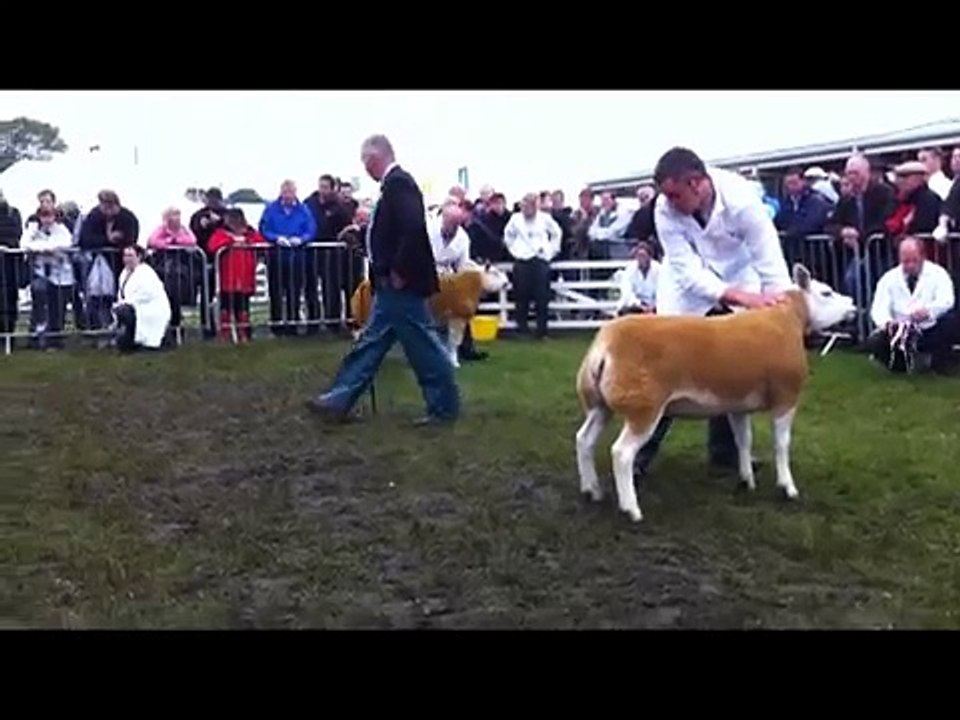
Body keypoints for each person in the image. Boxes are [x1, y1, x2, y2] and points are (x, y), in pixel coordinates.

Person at [635, 147, 792, 477]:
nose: (669, 202)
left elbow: (770, 260)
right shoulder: (664, 208)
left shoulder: (742, 199)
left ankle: (726, 454)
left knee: (730, 365)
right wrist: (736, 296)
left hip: (740, 275)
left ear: (696, 183)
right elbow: (686, 269)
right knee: (668, 365)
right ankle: (639, 452)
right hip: (685, 288)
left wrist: (782, 314)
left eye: (675, 194)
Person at [307, 134, 459, 425]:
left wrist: (399, 270)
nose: (365, 169)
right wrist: (363, 236)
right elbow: (395, 231)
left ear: (374, 159)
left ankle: (444, 406)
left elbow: (412, 228)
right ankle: (338, 400)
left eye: (365, 162)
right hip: (392, 284)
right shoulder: (394, 185)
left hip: (400, 284)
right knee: (373, 343)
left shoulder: (399, 184)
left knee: (422, 346)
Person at [867, 237, 956, 374]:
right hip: (900, 330)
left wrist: (929, 311)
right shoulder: (888, 278)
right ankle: (901, 366)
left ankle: (937, 363)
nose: (910, 266)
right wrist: (889, 324)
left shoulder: (938, 274)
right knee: (876, 340)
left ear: (923, 256)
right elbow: (878, 308)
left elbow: (947, 300)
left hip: (929, 326)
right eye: (905, 261)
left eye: (914, 261)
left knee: (950, 321)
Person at [827, 154, 896, 300]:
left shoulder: (884, 192)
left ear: (866, 172)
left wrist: (858, 236)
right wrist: (843, 231)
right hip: (855, 254)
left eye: (855, 173)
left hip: (880, 251)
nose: (851, 177)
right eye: (849, 173)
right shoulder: (846, 199)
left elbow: (885, 221)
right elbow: (830, 224)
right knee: (851, 281)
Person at [258, 180, 317, 337]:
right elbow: (263, 228)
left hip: (297, 257)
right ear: (281, 192)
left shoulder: (303, 210)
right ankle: (276, 325)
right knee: (275, 291)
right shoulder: (271, 209)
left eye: (291, 193)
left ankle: (293, 324)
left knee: (294, 291)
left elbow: (311, 229)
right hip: (276, 256)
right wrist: (276, 238)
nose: (288, 196)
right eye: (285, 193)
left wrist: (302, 239)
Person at [78, 190, 141, 333]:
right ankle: (98, 329)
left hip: (121, 265)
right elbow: (85, 240)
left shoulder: (128, 218)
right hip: (98, 266)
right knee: (97, 299)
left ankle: (122, 329)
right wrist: (108, 239)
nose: (106, 210)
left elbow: (130, 240)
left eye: (109, 206)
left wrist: (114, 243)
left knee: (121, 298)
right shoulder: (94, 216)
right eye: (103, 205)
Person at [503, 192, 562, 339]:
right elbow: (508, 236)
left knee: (542, 297)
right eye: (524, 206)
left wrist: (551, 251)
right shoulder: (515, 219)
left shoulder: (545, 218)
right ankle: (522, 329)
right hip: (522, 260)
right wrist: (515, 251)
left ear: (535, 206)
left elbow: (557, 233)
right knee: (521, 296)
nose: (526, 209)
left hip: (540, 260)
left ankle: (541, 331)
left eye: (530, 206)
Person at [304, 174, 353, 335]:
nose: (322, 190)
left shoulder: (338, 206)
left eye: (326, 187)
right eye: (321, 186)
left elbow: (347, 226)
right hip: (312, 250)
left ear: (332, 189)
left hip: (332, 252)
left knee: (331, 287)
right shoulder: (309, 203)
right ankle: (313, 322)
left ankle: (333, 322)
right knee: (311, 286)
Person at [21, 208, 75, 350]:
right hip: (40, 273)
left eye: (49, 216)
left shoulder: (61, 229)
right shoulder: (33, 230)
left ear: (55, 217)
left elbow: (67, 243)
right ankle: (36, 339)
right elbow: (24, 244)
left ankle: (54, 341)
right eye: (43, 216)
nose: (47, 219)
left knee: (58, 309)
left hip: (60, 276)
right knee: (39, 305)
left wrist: (47, 248)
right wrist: (43, 248)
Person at [208, 208, 263, 342]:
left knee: (243, 306)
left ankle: (243, 332)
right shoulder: (221, 233)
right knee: (226, 306)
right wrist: (230, 241)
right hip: (227, 277)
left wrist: (247, 239)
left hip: (245, 277)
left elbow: (261, 243)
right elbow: (212, 246)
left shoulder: (250, 233)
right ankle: (225, 333)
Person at [146, 207, 199, 335]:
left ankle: (183, 328)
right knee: (168, 297)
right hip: (165, 271)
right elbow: (153, 241)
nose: (176, 218)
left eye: (177, 215)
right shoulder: (160, 229)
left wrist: (175, 241)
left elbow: (192, 241)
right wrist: (169, 241)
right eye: (173, 215)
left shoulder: (184, 229)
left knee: (184, 297)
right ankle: (168, 328)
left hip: (184, 270)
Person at [113, 245, 172, 352]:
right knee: (123, 312)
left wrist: (127, 303)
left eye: (130, 256)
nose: (127, 259)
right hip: (134, 306)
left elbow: (147, 293)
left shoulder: (146, 273)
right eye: (125, 256)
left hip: (151, 308)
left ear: (139, 257)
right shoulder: (124, 273)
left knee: (126, 311)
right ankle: (128, 342)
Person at [189, 188, 228, 337]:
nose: (212, 202)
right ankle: (207, 326)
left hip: (226, 259)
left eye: (215, 199)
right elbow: (194, 235)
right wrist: (203, 226)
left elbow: (233, 229)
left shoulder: (227, 214)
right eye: (209, 199)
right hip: (205, 259)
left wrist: (218, 222)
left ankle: (226, 325)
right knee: (207, 294)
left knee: (227, 294)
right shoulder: (198, 216)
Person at [774, 167, 832, 265]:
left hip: (814, 256)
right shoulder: (786, 203)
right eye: (788, 184)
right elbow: (779, 222)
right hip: (792, 255)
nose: (791, 187)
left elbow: (813, 222)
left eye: (794, 183)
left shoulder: (816, 200)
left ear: (803, 181)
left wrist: (790, 232)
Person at [884, 161, 943, 241]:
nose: (900, 181)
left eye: (904, 177)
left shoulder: (928, 200)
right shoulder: (897, 199)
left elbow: (924, 226)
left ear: (917, 178)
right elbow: (886, 223)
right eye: (898, 177)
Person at [0, 192, 24, 337]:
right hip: (9, 260)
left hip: (10, 263)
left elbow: (16, 233)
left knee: (9, 298)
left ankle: (9, 333)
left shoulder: (14, 213)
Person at [616, 241, 660, 315]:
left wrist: (653, 306)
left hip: (654, 305)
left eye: (643, 256)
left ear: (650, 256)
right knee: (624, 310)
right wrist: (640, 305)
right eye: (639, 256)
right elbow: (627, 292)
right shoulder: (630, 269)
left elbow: (661, 291)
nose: (641, 259)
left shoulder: (658, 269)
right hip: (636, 306)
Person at [588, 192, 631, 260]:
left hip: (618, 252)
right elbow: (591, 231)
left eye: (606, 199)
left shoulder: (623, 213)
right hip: (602, 251)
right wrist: (600, 233)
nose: (604, 203)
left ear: (613, 200)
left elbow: (613, 232)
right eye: (602, 200)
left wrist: (598, 233)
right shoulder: (601, 214)